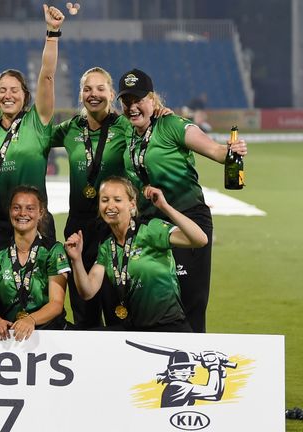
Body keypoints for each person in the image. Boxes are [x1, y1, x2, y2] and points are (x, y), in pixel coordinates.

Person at [116, 68, 248, 332]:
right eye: (127, 101)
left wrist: (231, 150)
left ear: (152, 99)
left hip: (188, 221)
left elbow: (214, 150)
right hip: (152, 228)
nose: (132, 107)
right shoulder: (127, 132)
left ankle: (192, 366)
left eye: (139, 99)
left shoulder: (172, 125)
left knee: (190, 304)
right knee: (153, 303)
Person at [0, 5, 64, 251]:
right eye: (2, 90)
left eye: (14, 90)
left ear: (25, 96)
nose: (7, 95)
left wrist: (52, 33)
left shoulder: (38, 121)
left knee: (37, 289)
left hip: (37, 223)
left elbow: (46, 75)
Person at [65, 177, 209, 332]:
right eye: (105, 200)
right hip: (134, 330)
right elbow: (87, 291)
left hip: (169, 329)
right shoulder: (107, 246)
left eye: (117, 200)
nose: (110, 206)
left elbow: (200, 240)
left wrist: (165, 207)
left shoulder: (150, 230)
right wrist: (77, 259)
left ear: (132, 204)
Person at [49, 67, 130, 328]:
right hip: (79, 228)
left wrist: (163, 114)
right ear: (80, 94)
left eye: (100, 88)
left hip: (113, 228)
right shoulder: (70, 128)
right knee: (84, 311)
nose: (93, 94)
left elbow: (153, 130)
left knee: (117, 306)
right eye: (87, 89)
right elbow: (36, 133)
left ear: (112, 93)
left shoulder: (125, 127)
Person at [0, 186, 71, 342]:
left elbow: (56, 303)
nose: (22, 213)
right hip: (9, 334)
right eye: (17, 208)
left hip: (49, 333)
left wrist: (31, 320)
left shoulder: (53, 250)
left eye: (30, 208)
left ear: (41, 213)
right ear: (10, 211)